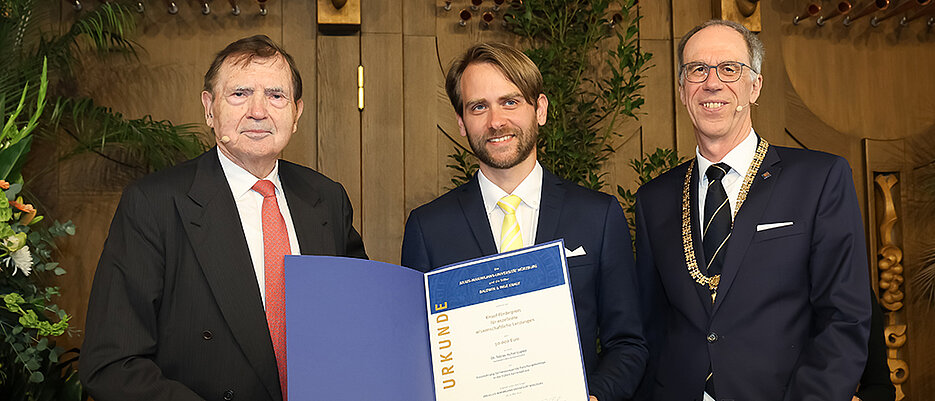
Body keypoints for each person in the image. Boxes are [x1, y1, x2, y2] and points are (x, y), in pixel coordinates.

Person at [80, 35, 366, 401]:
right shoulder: (154, 204)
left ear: (296, 113)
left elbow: (359, 322)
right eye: (240, 94)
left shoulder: (326, 199)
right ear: (209, 108)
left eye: (276, 95)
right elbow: (111, 363)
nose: (258, 111)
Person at [634, 20, 870, 400]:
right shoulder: (653, 200)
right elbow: (650, 328)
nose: (712, 83)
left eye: (729, 69)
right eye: (697, 69)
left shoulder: (819, 179)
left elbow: (844, 317)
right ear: (681, 90)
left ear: (755, 85)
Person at [401, 42, 647, 401]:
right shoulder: (428, 228)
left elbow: (627, 343)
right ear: (461, 123)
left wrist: (594, 397)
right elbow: (415, 355)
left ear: (540, 110)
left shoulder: (598, 216)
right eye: (478, 107)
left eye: (510, 102)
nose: (495, 121)